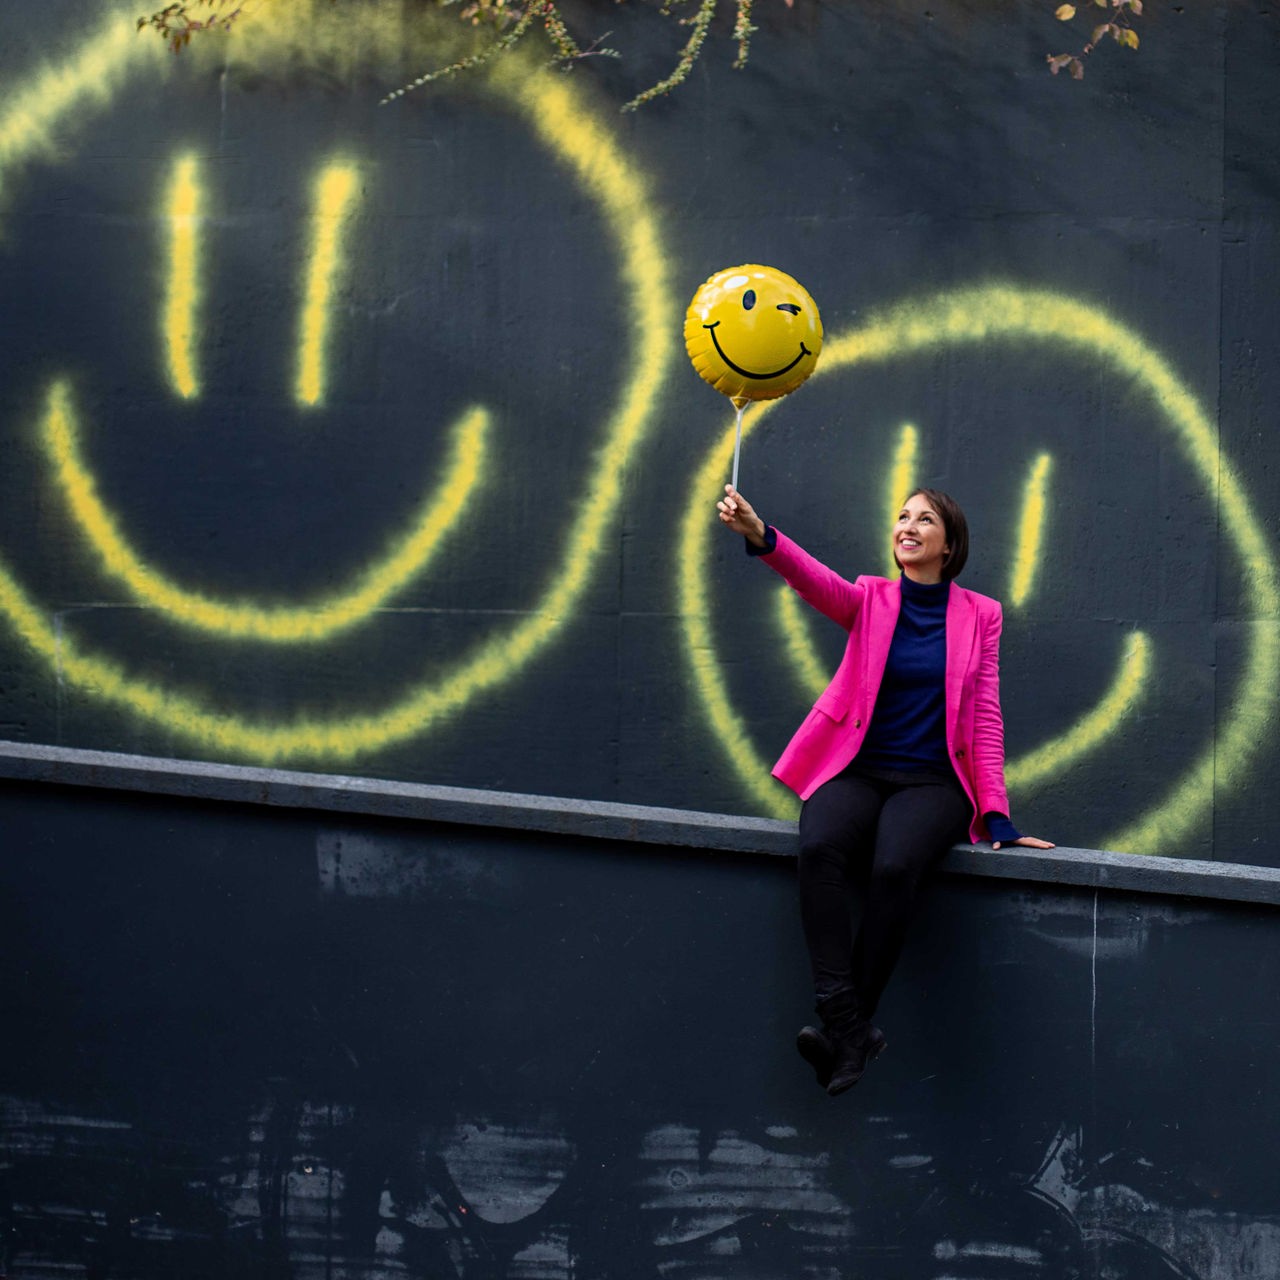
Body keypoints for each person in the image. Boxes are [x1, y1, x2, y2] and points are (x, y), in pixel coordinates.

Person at [716, 483, 1054, 1097]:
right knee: (819, 845)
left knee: (895, 866)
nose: (909, 526)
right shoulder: (871, 598)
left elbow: (984, 716)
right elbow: (815, 583)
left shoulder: (982, 614)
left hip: (935, 782)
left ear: (949, 545)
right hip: (860, 769)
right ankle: (849, 1022)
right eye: (902, 516)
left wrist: (998, 814)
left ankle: (846, 1033)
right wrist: (762, 536)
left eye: (925, 520)